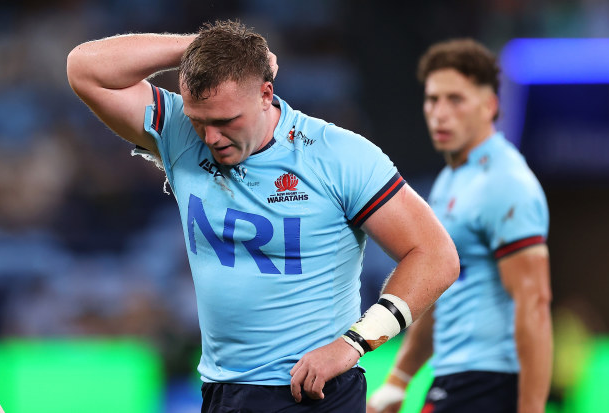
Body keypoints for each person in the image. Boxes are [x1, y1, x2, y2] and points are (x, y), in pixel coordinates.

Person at [66, 20, 459, 412]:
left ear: (265, 94)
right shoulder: (179, 132)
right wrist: (201, 45)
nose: (211, 137)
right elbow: (84, 69)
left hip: (315, 392)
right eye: (200, 121)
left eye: (225, 122)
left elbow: (436, 255)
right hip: (223, 391)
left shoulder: (336, 155)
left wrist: (354, 343)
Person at [367, 39, 552, 413]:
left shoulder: (505, 183)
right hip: (454, 378)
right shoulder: (452, 181)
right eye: (433, 99)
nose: (440, 112)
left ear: (490, 106)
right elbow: (440, 292)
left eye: (456, 99)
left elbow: (534, 304)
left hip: (491, 382)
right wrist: (399, 380)